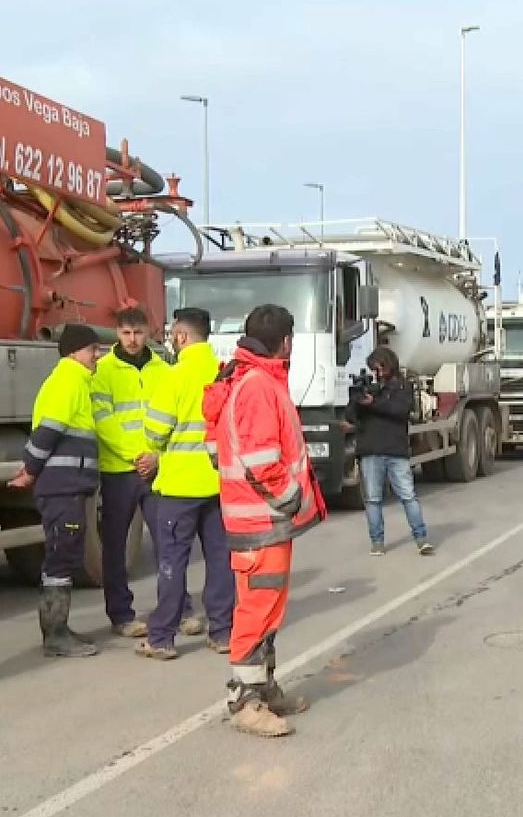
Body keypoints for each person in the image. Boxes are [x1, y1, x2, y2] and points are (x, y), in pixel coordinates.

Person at [204, 304, 327, 737]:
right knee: (257, 610)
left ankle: (265, 687)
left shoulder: (243, 377)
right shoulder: (257, 385)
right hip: (262, 520)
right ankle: (245, 702)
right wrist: (292, 498)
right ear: (286, 341)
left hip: (259, 520)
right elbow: (262, 459)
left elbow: (221, 451)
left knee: (269, 607)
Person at [91, 307, 203, 639]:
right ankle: (122, 616)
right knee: (114, 547)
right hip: (118, 470)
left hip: (156, 470)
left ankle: (180, 611)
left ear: (148, 333)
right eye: (125, 333)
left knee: (169, 544)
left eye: (138, 332)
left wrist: (153, 456)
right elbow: (104, 419)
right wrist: (134, 454)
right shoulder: (103, 371)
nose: (132, 339)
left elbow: (172, 415)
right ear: (117, 333)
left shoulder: (164, 369)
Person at [135, 308, 236, 659]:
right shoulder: (225, 374)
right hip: (220, 484)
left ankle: (162, 638)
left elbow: (155, 431)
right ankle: (222, 632)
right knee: (221, 559)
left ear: (181, 337)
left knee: (172, 562)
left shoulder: (173, 376)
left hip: (179, 486)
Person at [10, 325, 105, 659]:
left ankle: (59, 628)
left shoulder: (74, 381)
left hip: (68, 486)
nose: (97, 356)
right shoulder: (68, 382)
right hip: (61, 486)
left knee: (65, 552)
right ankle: (55, 633)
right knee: (61, 553)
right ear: (75, 351)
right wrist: (29, 470)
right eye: (93, 349)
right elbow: (48, 432)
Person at [350, 347, 434, 556]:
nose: (377, 372)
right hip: (371, 449)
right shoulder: (370, 388)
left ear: (389, 363)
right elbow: (351, 415)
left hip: (396, 450)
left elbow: (400, 411)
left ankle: (421, 537)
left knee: (408, 496)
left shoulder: (402, 387)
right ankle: (377, 542)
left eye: (379, 367)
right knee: (373, 499)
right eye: (374, 369)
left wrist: (374, 403)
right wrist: (358, 399)